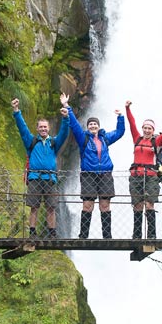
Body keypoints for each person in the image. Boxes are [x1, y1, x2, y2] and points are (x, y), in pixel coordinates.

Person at [65, 93, 126, 238]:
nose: (93, 126)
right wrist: (68, 107)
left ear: (99, 127)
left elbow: (120, 132)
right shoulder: (83, 138)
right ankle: (83, 235)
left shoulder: (105, 138)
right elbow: (74, 125)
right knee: (87, 205)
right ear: (88, 127)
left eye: (95, 124)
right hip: (88, 175)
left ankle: (107, 235)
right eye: (90, 124)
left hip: (105, 174)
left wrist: (121, 117)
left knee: (105, 205)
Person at [13, 97, 69, 238]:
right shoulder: (31, 141)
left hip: (50, 179)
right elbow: (22, 128)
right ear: (37, 129)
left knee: (51, 207)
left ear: (49, 128)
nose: (43, 129)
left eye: (45, 127)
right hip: (35, 178)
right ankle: (32, 232)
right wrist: (16, 111)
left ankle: (52, 233)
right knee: (34, 207)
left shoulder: (54, 143)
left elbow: (64, 133)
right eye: (41, 127)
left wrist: (66, 117)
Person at [125, 101, 162, 239]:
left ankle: (151, 235)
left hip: (151, 175)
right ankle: (137, 235)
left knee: (149, 204)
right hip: (135, 175)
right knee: (137, 205)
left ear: (153, 130)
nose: (146, 130)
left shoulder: (156, 142)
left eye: (149, 128)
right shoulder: (137, 139)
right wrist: (127, 108)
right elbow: (131, 123)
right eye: (145, 128)